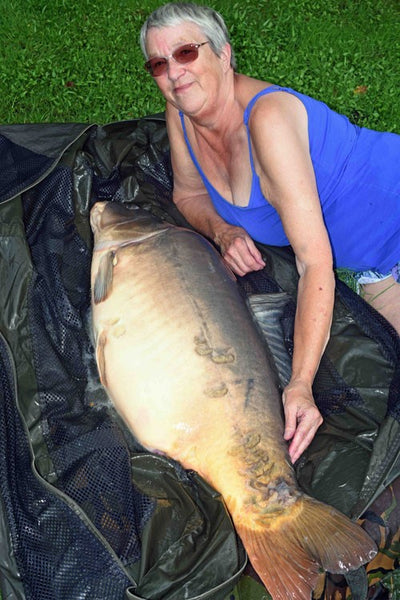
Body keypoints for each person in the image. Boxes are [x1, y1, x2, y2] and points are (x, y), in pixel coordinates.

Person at [140, 2, 400, 464]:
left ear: (223, 54)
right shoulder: (181, 114)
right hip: (376, 265)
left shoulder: (268, 120)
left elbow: (313, 261)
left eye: (185, 53)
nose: (175, 74)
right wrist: (222, 232)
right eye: (160, 63)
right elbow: (188, 194)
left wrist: (300, 383)